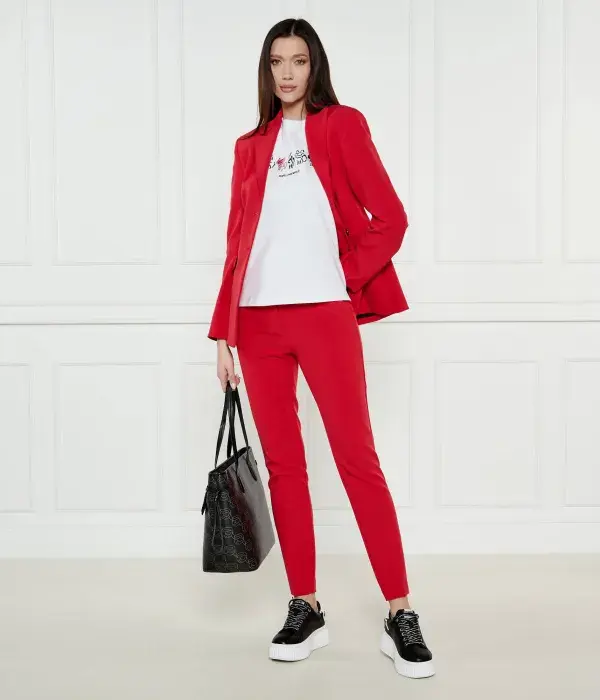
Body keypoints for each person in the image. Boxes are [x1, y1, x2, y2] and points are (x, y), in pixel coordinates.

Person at [207, 17, 435, 680]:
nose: (287, 73)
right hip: (258, 324)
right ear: (266, 70)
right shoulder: (250, 146)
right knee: (285, 467)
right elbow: (237, 245)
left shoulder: (341, 126)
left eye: (299, 60)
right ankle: (304, 605)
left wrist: (343, 274)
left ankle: (400, 611)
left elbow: (390, 218)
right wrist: (223, 333)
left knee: (357, 460)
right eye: (277, 61)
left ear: (315, 67)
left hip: (325, 317)